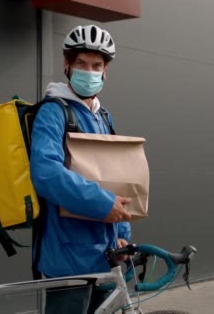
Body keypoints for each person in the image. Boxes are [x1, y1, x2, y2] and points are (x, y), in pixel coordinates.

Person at [29, 24, 133, 314]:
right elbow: (45, 172)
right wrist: (103, 204)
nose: (89, 71)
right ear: (67, 64)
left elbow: (114, 175)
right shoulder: (54, 110)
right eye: (81, 64)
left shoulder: (102, 116)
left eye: (96, 65)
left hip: (106, 251)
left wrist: (123, 230)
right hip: (69, 254)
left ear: (105, 70)